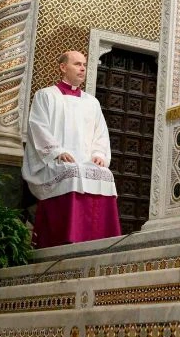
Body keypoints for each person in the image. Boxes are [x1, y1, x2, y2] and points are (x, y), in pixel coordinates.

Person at [23, 51, 117, 248]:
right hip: (55, 162)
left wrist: (99, 155)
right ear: (63, 67)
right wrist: (56, 152)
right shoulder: (46, 96)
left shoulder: (92, 102)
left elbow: (100, 133)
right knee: (73, 173)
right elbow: (38, 127)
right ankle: (68, 237)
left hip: (85, 161)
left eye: (84, 64)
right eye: (77, 64)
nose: (82, 68)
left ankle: (101, 240)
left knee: (105, 174)